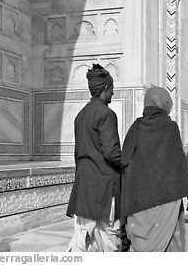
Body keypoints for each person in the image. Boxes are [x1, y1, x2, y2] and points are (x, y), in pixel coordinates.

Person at [121, 86, 188, 251]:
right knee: (170, 242)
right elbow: (178, 163)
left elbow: (125, 162)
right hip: (167, 197)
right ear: (166, 104)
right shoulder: (170, 127)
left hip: (138, 199)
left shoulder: (136, 127)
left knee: (142, 244)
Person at [66, 64, 122, 252]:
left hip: (84, 185)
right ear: (105, 89)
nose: (113, 94)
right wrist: (128, 164)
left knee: (82, 238)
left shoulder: (81, 115)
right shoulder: (106, 114)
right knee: (108, 238)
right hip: (103, 186)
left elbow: (78, 153)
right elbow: (111, 152)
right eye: (112, 89)